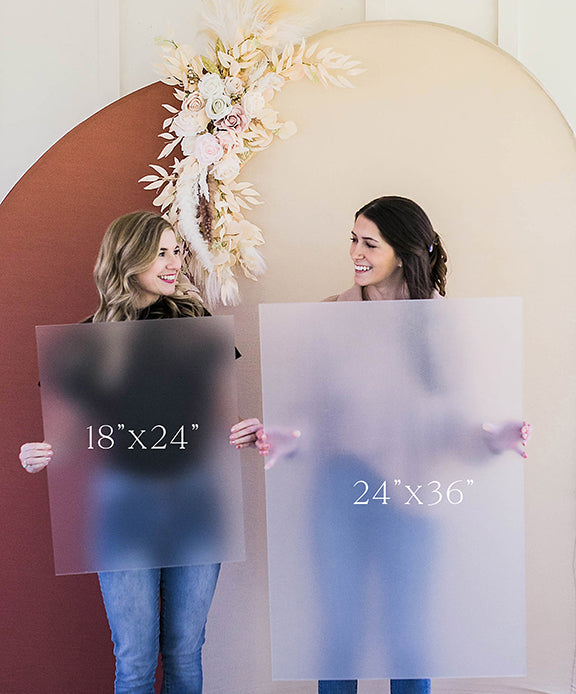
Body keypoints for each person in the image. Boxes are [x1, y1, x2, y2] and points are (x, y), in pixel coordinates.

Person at [253, 196, 531, 694]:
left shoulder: (442, 322)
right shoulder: (328, 318)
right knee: (338, 633)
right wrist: (284, 439)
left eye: (369, 243)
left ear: (401, 253)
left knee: (409, 635)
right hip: (339, 489)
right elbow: (307, 414)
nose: (355, 253)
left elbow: (458, 421)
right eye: (353, 240)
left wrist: (495, 436)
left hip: (415, 491)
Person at [19, 210, 262, 694]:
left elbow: (222, 420)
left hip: (195, 498)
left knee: (185, 652)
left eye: (177, 251)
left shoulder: (197, 327)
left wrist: (247, 432)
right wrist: (37, 455)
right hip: (123, 502)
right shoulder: (86, 342)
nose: (175, 264)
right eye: (162, 253)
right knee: (134, 660)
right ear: (128, 259)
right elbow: (66, 440)